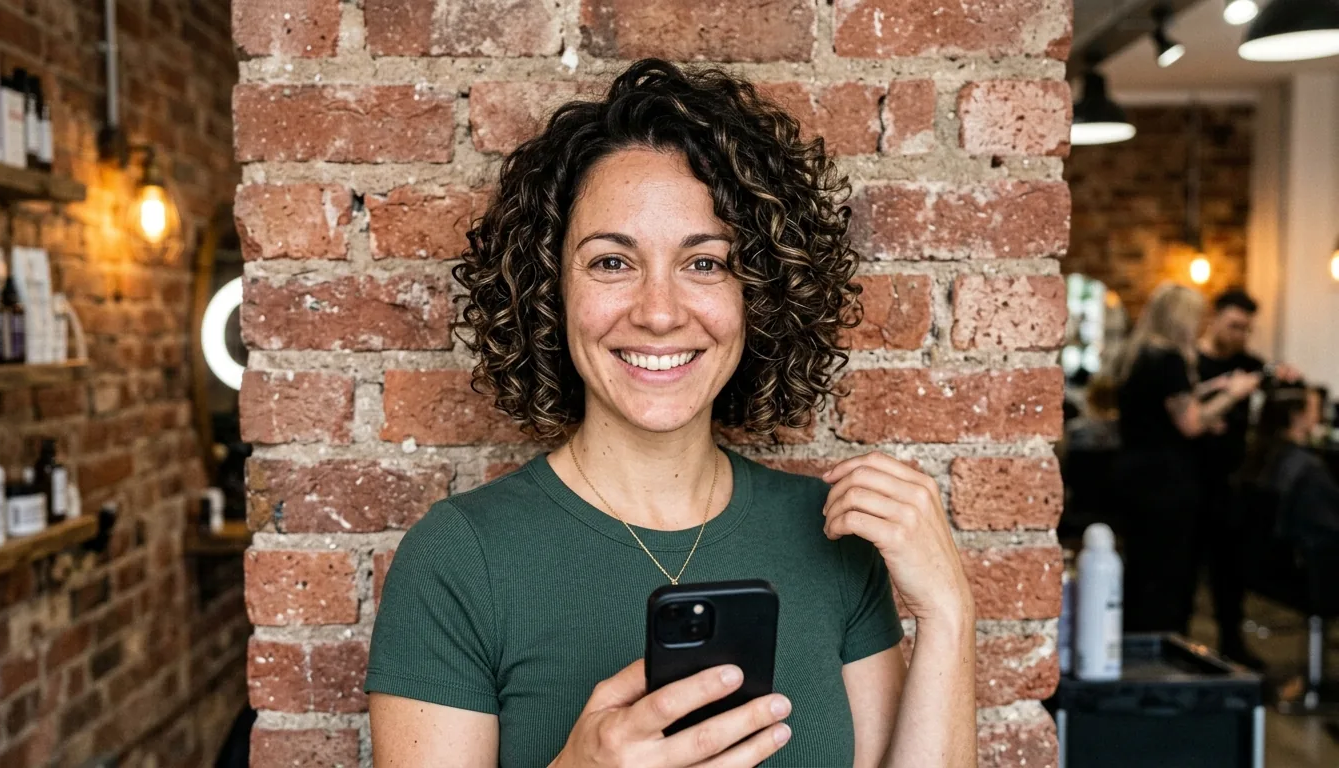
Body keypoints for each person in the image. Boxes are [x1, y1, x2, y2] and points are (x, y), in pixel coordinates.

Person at [365, 59, 977, 767]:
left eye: (706, 263)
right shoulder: (459, 559)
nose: (659, 312)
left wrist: (948, 613)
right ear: (550, 290)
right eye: (611, 263)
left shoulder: (836, 541)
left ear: (761, 293)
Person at [1110, 283, 1261, 635]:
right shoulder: (1169, 359)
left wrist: (1212, 388)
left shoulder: (1140, 355)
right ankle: (1162, 646)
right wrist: (1234, 394)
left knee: (1143, 568)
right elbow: (1191, 423)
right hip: (1164, 483)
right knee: (1165, 575)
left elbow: (1166, 403)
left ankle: (1137, 642)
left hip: (1135, 475)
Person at [1193, 289, 1300, 667]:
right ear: (1215, 317)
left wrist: (1285, 377)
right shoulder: (1192, 364)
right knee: (1187, 569)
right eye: (1234, 325)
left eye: (1246, 329)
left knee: (1230, 570)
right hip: (1190, 481)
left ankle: (1231, 642)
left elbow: (1277, 392)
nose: (1239, 335)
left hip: (1232, 483)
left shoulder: (1249, 364)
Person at [1241, 385, 1339, 551]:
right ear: (1297, 416)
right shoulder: (1308, 469)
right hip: (1306, 559)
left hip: (1265, 558)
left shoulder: (1258, 457)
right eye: (1315, 409)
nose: (1319, 417)